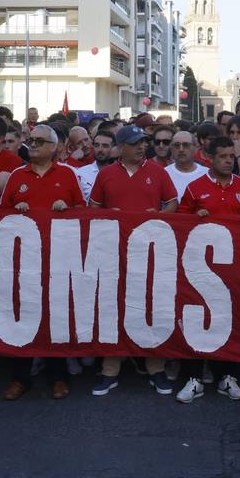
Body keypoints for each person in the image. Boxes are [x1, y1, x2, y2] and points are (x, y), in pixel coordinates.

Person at [89, 124, 178, 396]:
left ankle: (155, 368)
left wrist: (160, 217)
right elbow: (93, 208)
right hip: (114, 254)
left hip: (149, 252)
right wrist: (109, 215)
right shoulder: (106, 174)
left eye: (143, 142)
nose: (142, 146)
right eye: (136, 142)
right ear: (121, 148)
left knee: (151, 307)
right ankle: (110, 371)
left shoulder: (158, 172)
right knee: (113, 308)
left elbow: (172, 203)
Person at [1, 124, 82, 402]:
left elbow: (84, 213)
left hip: (58, 258)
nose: (32, 144)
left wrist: (67, 209)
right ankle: (19, 378)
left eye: (39, 141)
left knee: (55, 316)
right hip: (24, 260)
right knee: (22, 316)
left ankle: (58, 377)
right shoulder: (17, 175)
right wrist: (15, 210)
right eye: (31, 140)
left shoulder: (68, 175)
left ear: (54, 147)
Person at [172, 136, 240, 404]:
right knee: (196, 318)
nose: (228, 161)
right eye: (223, 157)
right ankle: (194, 378)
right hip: (200, 268)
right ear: (210, 158)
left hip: (235, 267)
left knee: (230, 319)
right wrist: (194, 218)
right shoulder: (195, 188)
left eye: (231, 157)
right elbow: (180, 223)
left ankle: (226, 377)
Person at [164, 131, 206, 199]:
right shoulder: (163, 174)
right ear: (171, 149)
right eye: (176, 145)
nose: (181, 149)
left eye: (186, 145)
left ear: (195, 148)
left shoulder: (207, 174)